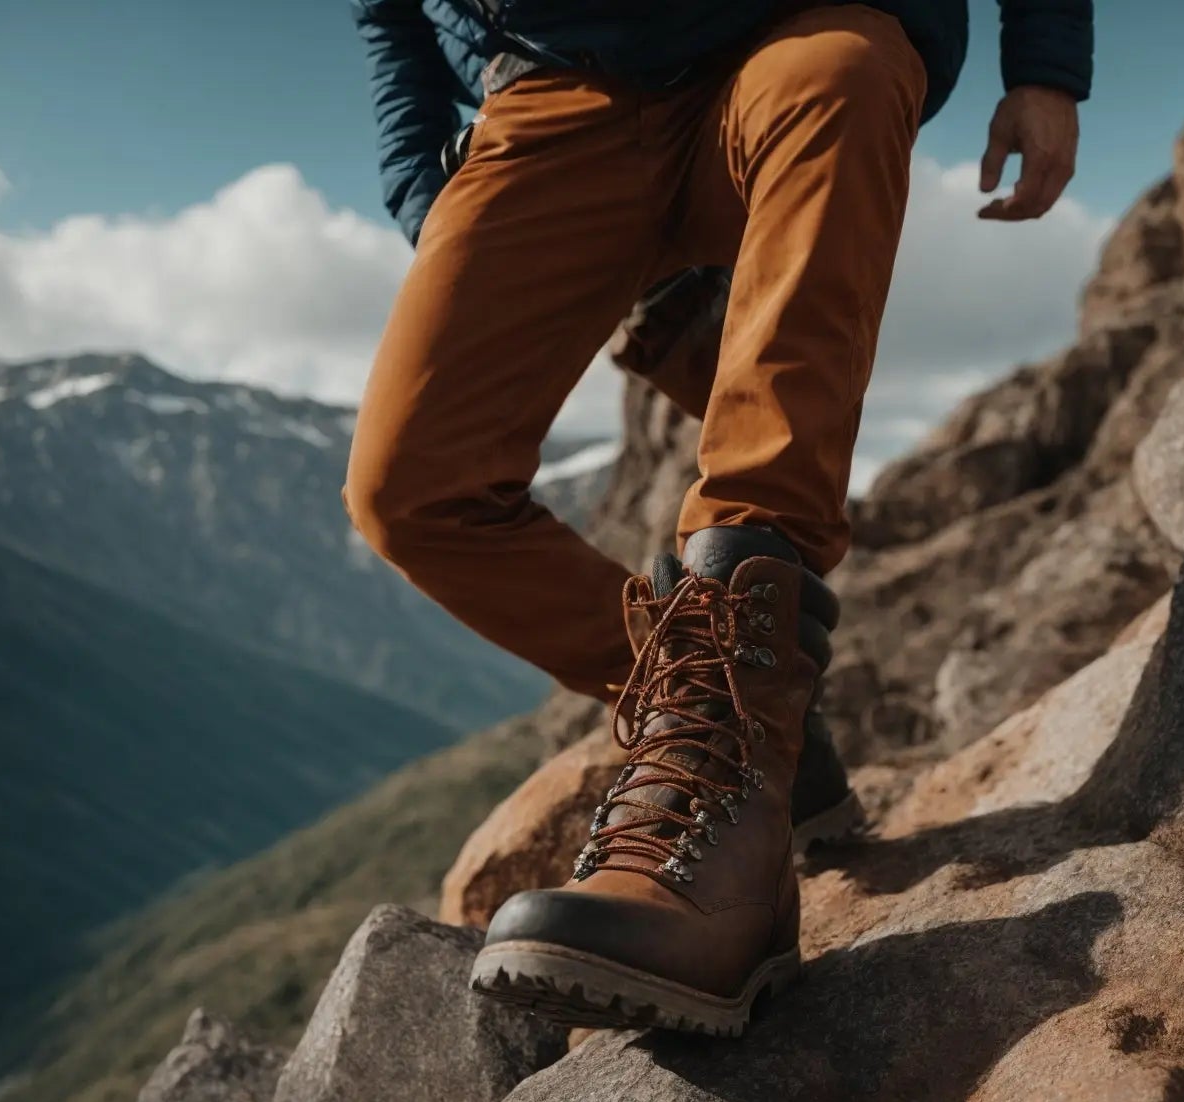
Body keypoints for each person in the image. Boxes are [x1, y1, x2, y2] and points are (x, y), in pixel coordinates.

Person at [344, 0, 1093, 1038]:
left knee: (850, 74)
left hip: (792, 31)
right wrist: (429, 197)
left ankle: (731, 846)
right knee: (411, 489)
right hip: (552, 90)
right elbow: (390, 19)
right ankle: (751, 698)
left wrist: (1046, 64)